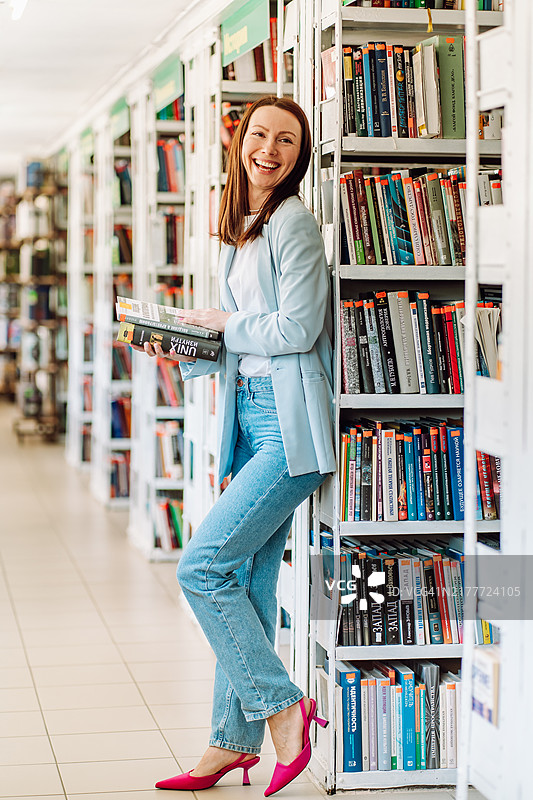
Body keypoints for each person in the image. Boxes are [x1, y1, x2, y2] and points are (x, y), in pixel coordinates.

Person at [131, 95, 335, 796]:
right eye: (259, 135)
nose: (268, 150)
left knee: (201, 568)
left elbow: (297, 328)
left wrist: (223, 322)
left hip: (287, 426)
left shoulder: (293, 221)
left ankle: (283, 708)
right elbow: (244, 341)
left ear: (298, 155)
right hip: (248, 415)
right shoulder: (244, 227)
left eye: (286, 140)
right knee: (246, 583)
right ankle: (230, 742)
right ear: (239, 141)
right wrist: (184, 344)